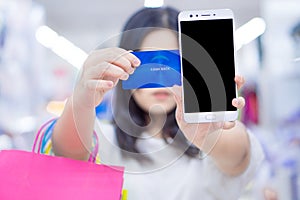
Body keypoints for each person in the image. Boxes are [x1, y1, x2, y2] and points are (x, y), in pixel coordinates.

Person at [43, 6, 264, 200]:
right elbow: (67, 154)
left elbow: (239, 155)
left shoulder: (211, 142)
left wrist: (208, 136)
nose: (160, 81)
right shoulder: (105, 139)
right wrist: (81, 98)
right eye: (147, 64)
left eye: (174, 62)